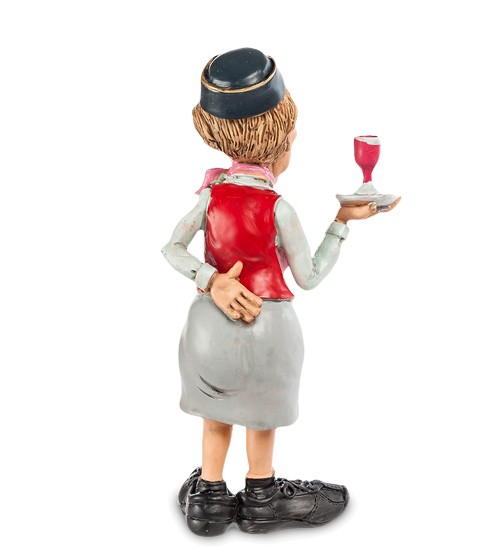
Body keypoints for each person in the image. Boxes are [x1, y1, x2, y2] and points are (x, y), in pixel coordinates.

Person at [162, 47, 398, 536]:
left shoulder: (210, 195)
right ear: (281, 143)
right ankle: (262, 494)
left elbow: (172, 248)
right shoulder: (279, 208)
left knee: (215, 415)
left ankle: (209, 498)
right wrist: (341, 222)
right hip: (267, 330)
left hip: (207, 330)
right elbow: (308, 276)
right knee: (259, 416)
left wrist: (211, 280)